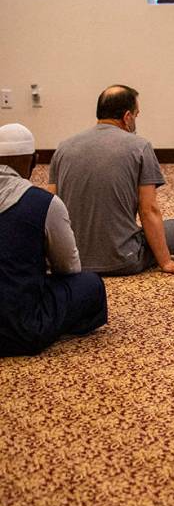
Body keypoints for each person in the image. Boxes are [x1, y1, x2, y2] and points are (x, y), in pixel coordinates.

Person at [47, 85, 174, 276]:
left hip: (71, 258)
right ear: (127, 117)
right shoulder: (140, 147)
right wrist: (166, 262)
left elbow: (50, 204)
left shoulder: (64, 148)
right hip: (123, 259)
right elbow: (148, 210)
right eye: (136, 114)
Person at [0, 123, 107, 357]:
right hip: (19, 331)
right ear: (34, 160)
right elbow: (69, 267)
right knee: (90, 284)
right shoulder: (43, 203)